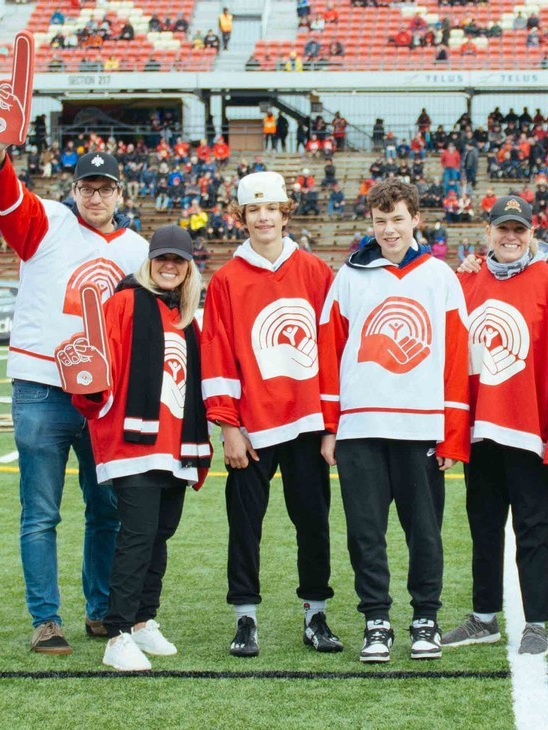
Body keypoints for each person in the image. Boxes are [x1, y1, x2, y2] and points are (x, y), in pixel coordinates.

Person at [0, 136, 151, 652]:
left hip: (103, 394)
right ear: (73, 189)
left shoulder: (137, 249)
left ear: (120, 193)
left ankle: (100, 609)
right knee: (41, 510)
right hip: (42, 386)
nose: (94, 197)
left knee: (107, 509)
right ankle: (46, 618)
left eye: (104, 189)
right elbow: (5, 194)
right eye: (86, 187)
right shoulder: (48, 222)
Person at [318, 179, 471, 663]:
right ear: (371, 223)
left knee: (424, 530)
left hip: (422, 427)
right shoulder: (349, 277)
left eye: (398, 220)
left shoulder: (440, 276)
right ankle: (376, 621)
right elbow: (328, 352)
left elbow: (455, 358)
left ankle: (425, 617)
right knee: (366, 531)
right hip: (360, 427)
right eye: (381, 221)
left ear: (416, 221)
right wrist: (329, 426)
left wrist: (452, 435)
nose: (389, 230)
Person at [201, 171, 343, 657]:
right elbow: (218, 353)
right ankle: (245, 618)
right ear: (241, 217)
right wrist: (228, 425)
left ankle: (315, 614)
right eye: (253, 210)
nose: (263, 217)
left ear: (286, 213)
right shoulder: (225, 280)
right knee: (244, 525)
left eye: (272, 209)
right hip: (252, 427)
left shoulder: (316, 272)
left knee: (314, 522)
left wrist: (330, 425)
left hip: (306, 422)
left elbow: (330, 351)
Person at [439, 195, 548, 658]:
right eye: (503, 229)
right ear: (487, 233)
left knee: (534, 527)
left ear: (531, 236)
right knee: (482, 525)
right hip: (480, 430)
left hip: (528, 432)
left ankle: (536, 621)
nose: (510, 237)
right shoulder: (465, 282)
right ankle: (484, 617)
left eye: (519, 230)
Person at [74, 226, 211, 672]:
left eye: (178, 260)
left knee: (160, 533)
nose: (169, 267)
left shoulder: (186, 315)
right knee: (136, 535)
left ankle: (142, 620)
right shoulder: (125, 303)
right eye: (162, 259)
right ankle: (116, 633)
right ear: (149, 262)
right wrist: (90, 391)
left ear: (189, 267)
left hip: (175, 442)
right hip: (133, 442)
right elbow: (98, 368)